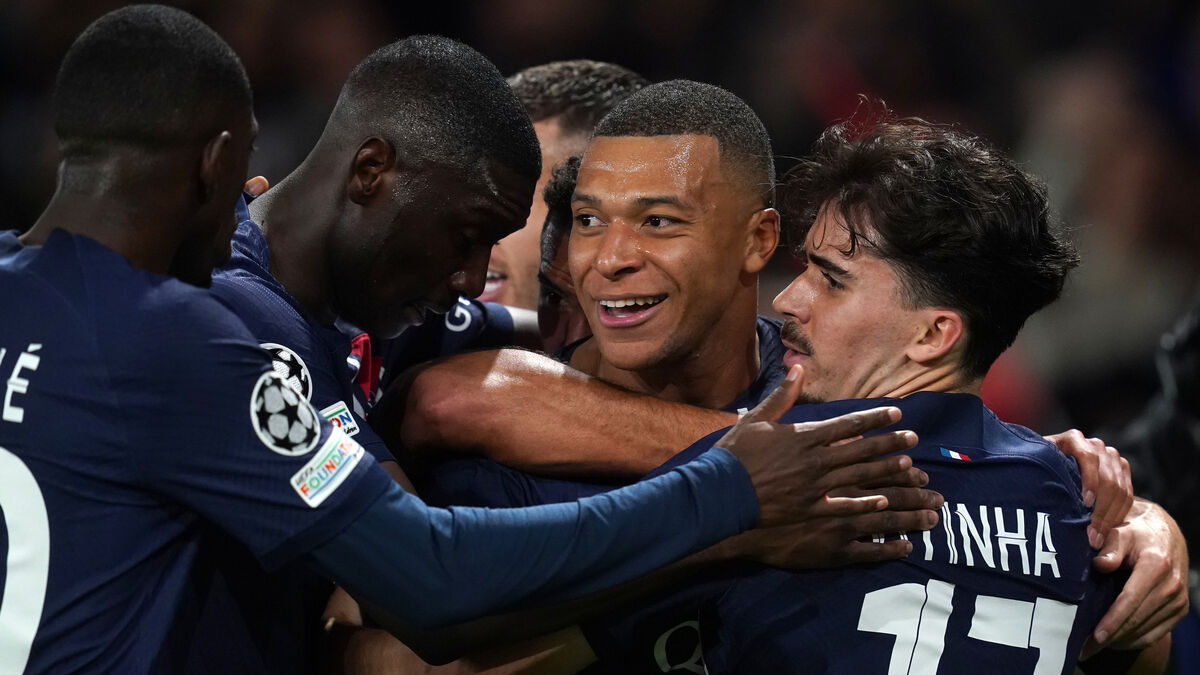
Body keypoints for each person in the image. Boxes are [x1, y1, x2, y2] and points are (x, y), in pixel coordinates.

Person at [0, 9, 934, 673]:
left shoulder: (39, 287)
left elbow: (535, 341)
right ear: (372, 171)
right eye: (467, 235)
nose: (471, 276)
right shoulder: (214, 331)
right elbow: (432, 582)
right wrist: (730, 492)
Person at [373, 87, 1186, 671]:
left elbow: (456, 647)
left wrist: (741, 502)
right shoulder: (1059, 495)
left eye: (831, 279)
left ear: (934, 332)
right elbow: (1148, 644)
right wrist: (1143, 526)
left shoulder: (787, 512)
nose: (791, 299)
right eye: (590, 220)